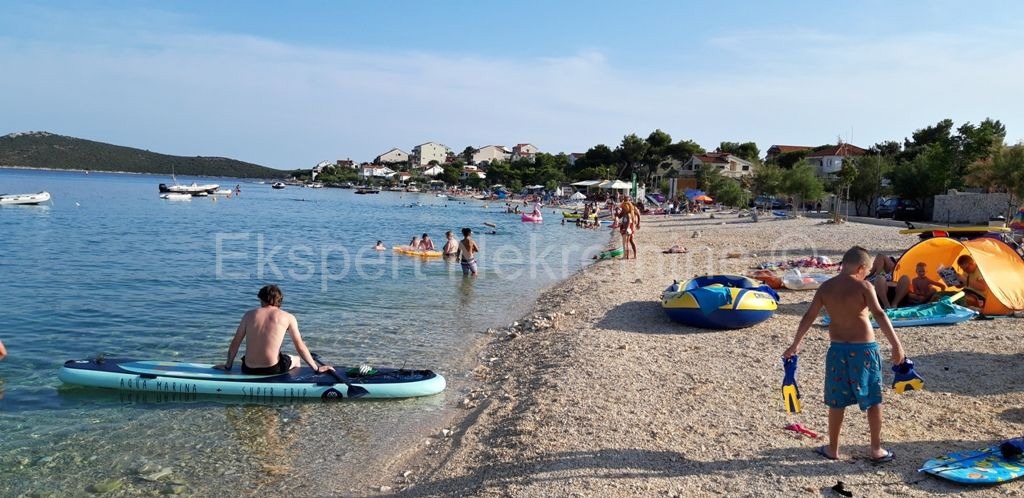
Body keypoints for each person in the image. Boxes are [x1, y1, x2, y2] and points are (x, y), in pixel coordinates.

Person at [783, 246, 905, 463]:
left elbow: (809, 316)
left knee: (836, 401)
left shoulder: (826, 287)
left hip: (837, 350)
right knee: (873, 399)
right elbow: (879, 314)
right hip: (864, 351)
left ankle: (833, 448)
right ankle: (876, 449)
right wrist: (896, 346)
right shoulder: (864, 286)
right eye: (866, 272)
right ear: (861, 268)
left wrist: (795, 344)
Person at [215, 285, 334, 375]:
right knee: (296, 360)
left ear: (262, 300)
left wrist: (228, 366)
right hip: (272, 369)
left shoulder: (248, 315)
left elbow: (235, 343)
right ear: (279, 301)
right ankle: (288, 385)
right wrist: (316, 368)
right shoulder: (288, 317)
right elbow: (300, 346)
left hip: (247, 368)